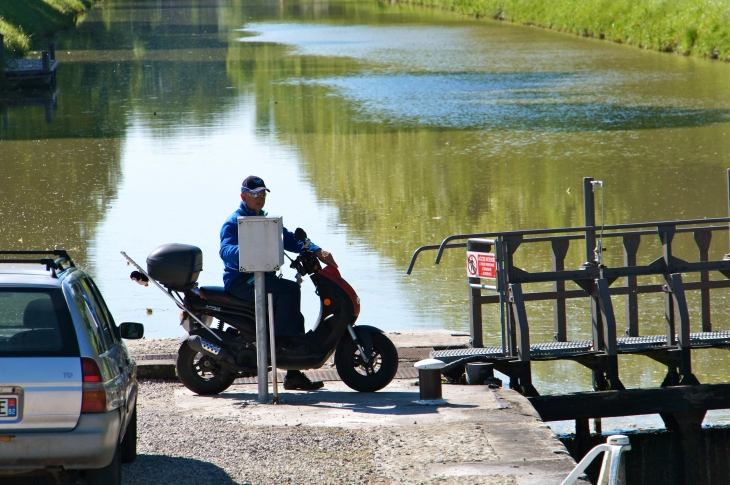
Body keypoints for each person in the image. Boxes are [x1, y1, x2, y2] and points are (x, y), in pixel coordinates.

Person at [219, 175, 337, 391]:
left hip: (262, 277)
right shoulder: (234, 221)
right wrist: (249, 247)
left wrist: (317, 250)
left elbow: (290, 239)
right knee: (290, 291)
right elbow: (225, 252)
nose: (260, 198)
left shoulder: (265, 221)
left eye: (263, 194)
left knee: (294, 314)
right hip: (240, 280)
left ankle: (293, 374)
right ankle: (283, 344)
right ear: (243, 196)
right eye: (255, 194)